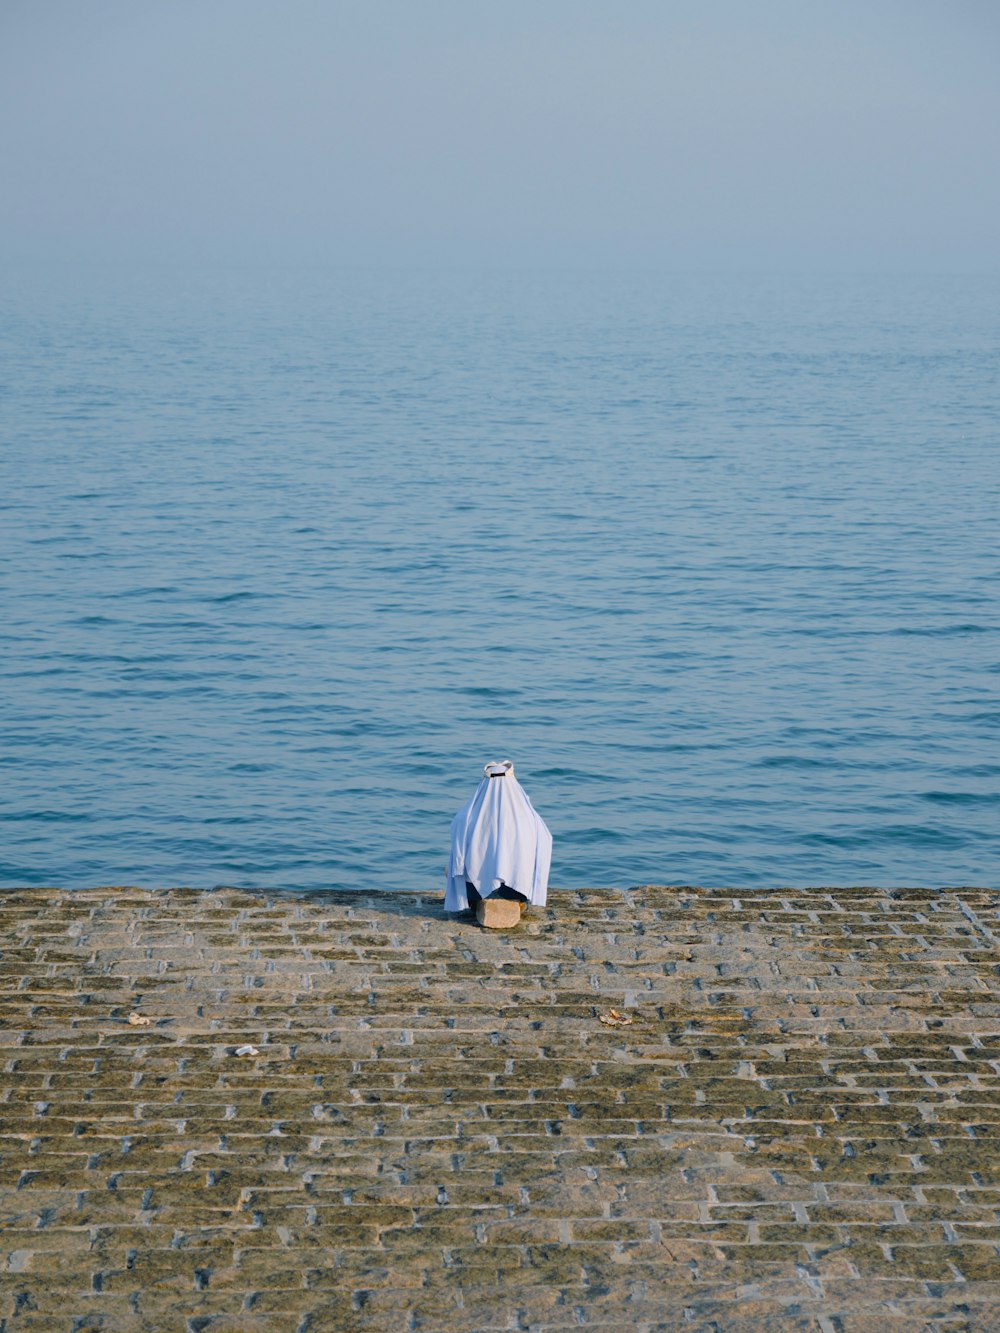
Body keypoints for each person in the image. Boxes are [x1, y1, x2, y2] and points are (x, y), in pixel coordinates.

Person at [445, 760, 552, 921]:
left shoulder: (465, 817)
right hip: (518, 890)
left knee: (449, 869)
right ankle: (517, 901)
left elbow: (457, 862)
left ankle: (477, 902)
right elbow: (546, 843)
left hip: (475, 890)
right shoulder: (530, 818)